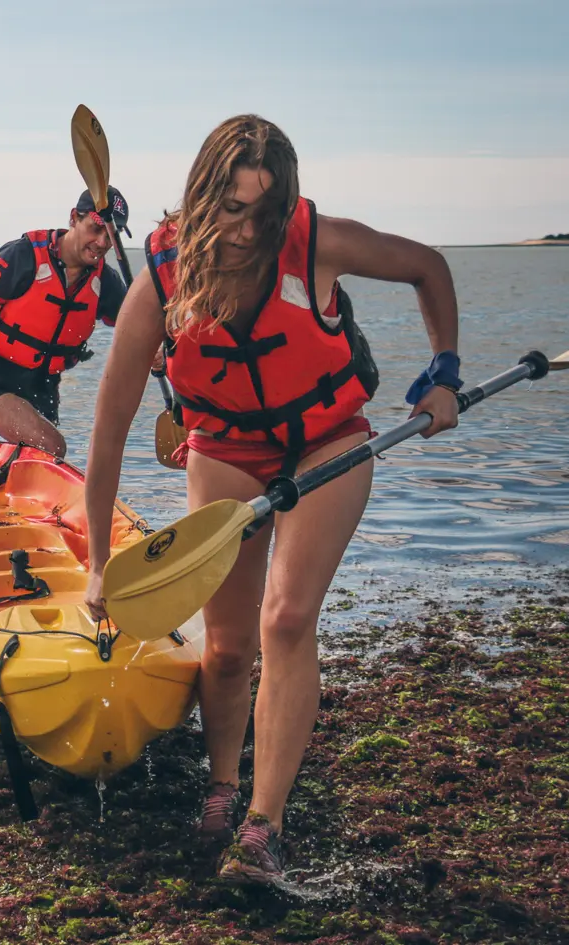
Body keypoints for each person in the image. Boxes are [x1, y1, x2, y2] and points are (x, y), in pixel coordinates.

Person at [81, 115, 460, 886]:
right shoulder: (160, 282)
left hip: (329, 438)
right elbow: (109, 435)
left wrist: (445, 369)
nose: (246, 230)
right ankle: (222, 786)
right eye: (230, 207)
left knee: (286, 618)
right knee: (225, 647)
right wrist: (96, 566)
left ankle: (263, 825)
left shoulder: (315, 241)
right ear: (201, 194)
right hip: (225, 446)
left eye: (263, 211)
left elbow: (427, 266)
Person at [0, 188, 130, 458]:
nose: (102, 242)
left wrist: (158, 352)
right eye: (95, 229)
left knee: (38, 458)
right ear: (74, 219)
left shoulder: (107, 283)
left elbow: (140, 328)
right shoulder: (21, 257)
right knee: (51, 446)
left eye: (111, 235)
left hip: (44, 390)